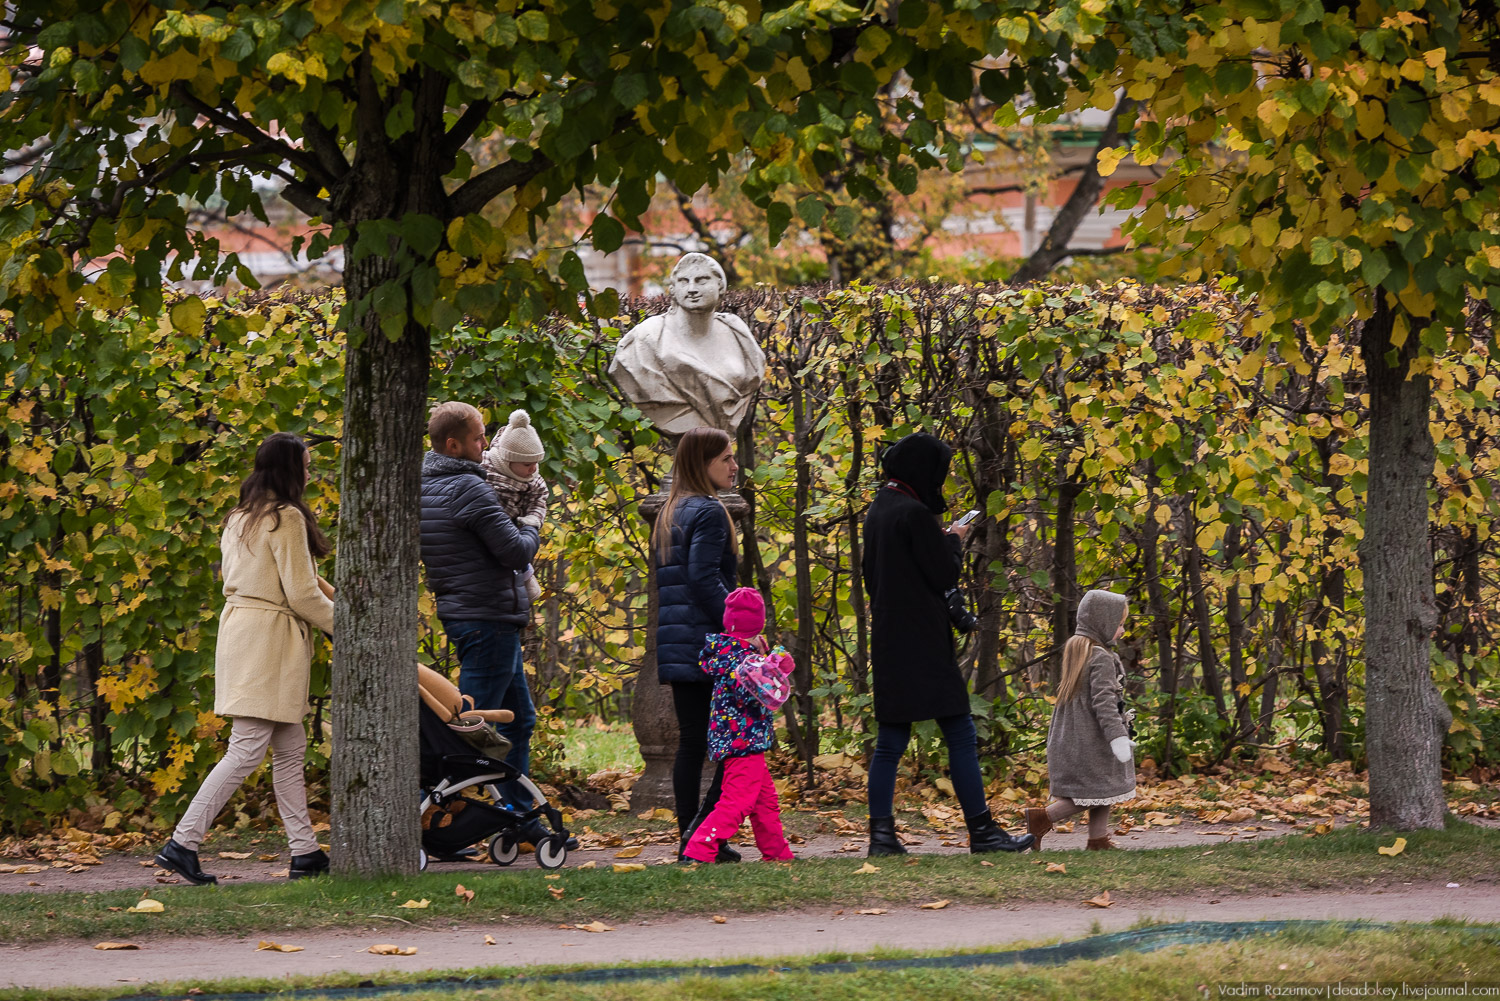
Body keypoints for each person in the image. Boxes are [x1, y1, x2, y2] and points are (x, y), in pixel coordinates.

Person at [155, 432, 336, 885]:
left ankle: (305, 852)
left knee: (290, 750)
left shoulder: (239, 517)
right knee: (246, 749)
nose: (310, 473)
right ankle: (183, 842)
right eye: (306, 465)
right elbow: (302, 594)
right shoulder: (286, 518)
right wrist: (350, 629)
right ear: (289, 469)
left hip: (243, 632)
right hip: (269, 642)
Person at [861, 432, 1034, 857]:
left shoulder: (879, 510)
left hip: (889, 638)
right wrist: (954, 538)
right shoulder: (915, 515)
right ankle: (982, 831)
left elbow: (873, 578)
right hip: (924, 641)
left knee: (890, 742)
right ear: (924, 471)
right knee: (959, 732)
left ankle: (881, 837)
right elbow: (942, 574)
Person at [419, 402, 542, 824]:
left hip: (469, 614)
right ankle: (432, 815)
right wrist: (531, 521)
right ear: (453, 445)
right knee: (466, 729)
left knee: (518, 720)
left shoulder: (426, 483)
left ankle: (519, 814)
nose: (485, 444)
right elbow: (516, 550)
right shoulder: (467, 488)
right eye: (477, 438)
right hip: (487, 617)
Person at [654, 426, 743, 861]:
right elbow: (704, 578)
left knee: (693, 744)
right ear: (702, 462)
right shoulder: (707, 512)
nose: (734, 465)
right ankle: (704, 836)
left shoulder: (673, 511)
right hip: (708, 645)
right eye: (725, 458)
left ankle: (691, 838)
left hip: (678, 641)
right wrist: (741, 624)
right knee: (734, 741)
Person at [682, 588, 796, 864]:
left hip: (741, 740)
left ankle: (778, 853)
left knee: (765, 802)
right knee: (737, 802)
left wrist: (765, 659)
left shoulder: (729, 652)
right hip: (743, 741)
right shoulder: (744, 661)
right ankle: (699, 848)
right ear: (758, 625)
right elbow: (761, 694)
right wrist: (776, 666)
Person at [1025, 589, 1137, 851]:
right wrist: (1118, 736)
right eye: (1119, 624)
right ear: (1102, 623)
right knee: (1088, 793)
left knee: (1103, 787)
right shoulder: (1101, 658)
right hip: (1093, 739)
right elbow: (1104, 702)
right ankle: (1042, 818)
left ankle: (1098, 840)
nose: (1122, 631)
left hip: (1075, 736)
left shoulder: (1080, 652)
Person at [608, 252, 765, 435]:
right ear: (673, 289)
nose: (691, 289)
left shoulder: (736, 331)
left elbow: (752, 376)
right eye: (683, 281)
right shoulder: (647, 338)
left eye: (702, 280)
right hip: (683, 429)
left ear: (720, 287)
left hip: (720, 440)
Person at [480, 408, 549, 604]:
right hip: (486, 521)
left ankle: (528, 584)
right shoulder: (486, 466)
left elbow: (539, 500)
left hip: (515, 525)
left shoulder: (534, 481)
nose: (533, 469)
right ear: (508, 460)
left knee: (519, 562)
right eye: (527, 464)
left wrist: (532, 520)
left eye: (536, 462)